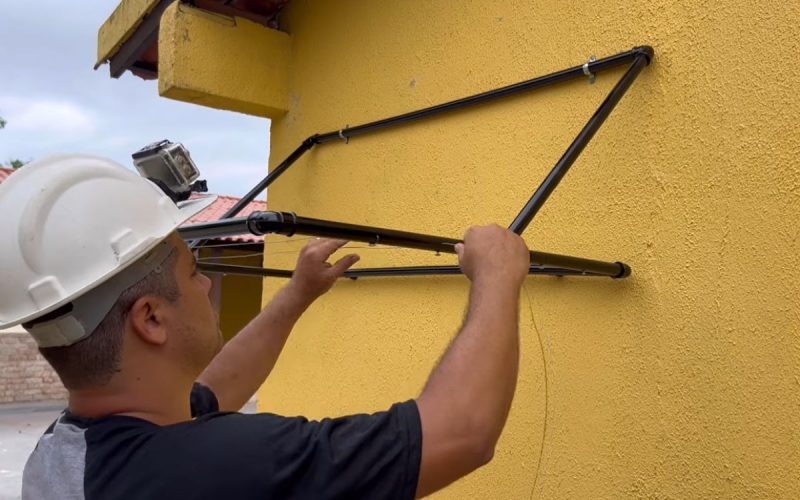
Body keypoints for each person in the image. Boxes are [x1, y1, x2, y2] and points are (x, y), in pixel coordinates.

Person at [0, 155, 531, 499]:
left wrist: (297, 293)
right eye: (193, 273)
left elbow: (214, 391)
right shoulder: (219, 468)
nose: (206, 286)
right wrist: (498, 277)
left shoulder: (65, 454)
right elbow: (460, 432)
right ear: (151, 319)